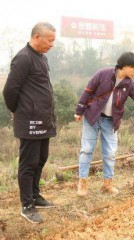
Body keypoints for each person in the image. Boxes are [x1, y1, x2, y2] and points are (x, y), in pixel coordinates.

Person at [74, 52, 134, 196]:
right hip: (92, 117)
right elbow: (87, 91)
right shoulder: (102, 74)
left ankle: (107, 184)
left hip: (110, 121)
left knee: (110, 153)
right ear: (124, 66)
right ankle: (82, 184)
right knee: (86, 150)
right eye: (133, 68)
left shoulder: (130, 84)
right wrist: (79, 110)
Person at [2, 22, 57, 224]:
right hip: (30, 119)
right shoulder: (23, 58)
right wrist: (16, 110)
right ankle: (27, 206)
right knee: (28, 163)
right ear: (36, 37)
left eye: (53, 41)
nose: (52, 44)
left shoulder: (41, 58)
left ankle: (35, 195)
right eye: (49, 40)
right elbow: (9, 90)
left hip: (44, 118)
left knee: (41, 158)